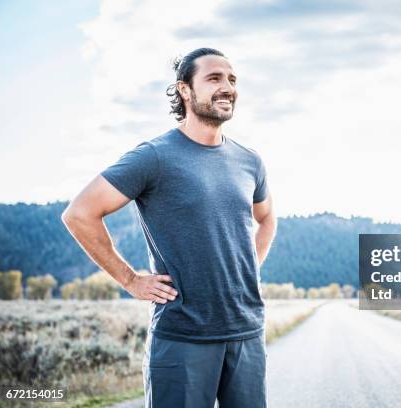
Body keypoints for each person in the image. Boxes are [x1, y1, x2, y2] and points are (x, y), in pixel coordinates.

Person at [61, 47, 277, 407]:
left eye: (232, 79)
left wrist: (249, 267)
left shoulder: (249, 161)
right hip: (182, 336)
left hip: (246, 331)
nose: (227, 87)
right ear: (185, 90)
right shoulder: (155, 156)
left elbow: (266, 218)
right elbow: (79, 213)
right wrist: (131, 280)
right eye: (214, 78)